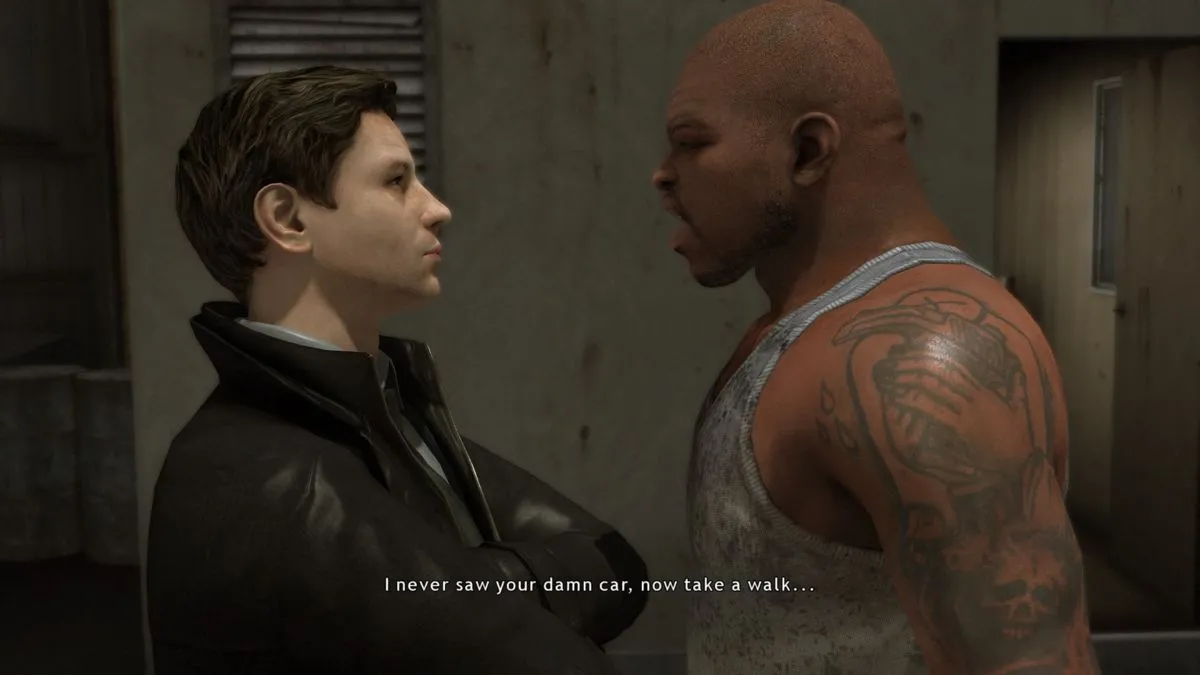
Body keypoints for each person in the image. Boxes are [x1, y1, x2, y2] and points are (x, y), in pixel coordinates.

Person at [147, 65, 647, 674]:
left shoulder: (386, 408)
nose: (437, 209)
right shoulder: (272, 478)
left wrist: (473, 582)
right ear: (288, 219)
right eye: (395, 181)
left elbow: (617, 566)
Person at [651, 1, 1099, 673]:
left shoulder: (931, 352)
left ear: (807, 151)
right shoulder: (803, 326)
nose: (663, 173)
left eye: (691, 143)